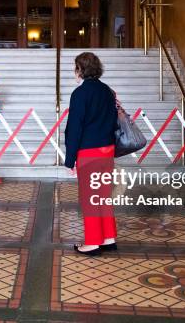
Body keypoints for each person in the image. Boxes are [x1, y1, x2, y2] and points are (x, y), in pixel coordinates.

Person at [64, 52, 118, 256]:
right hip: (107, 151)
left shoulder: (80, 94)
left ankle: (93, 241)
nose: (74, 71)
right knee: (103, 196)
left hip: (89, 152)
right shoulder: (107, 91)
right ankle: (109, 238)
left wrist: (70, 160)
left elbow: (74, 128)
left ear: (80, 69)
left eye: (75, 68)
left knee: (89, 198)